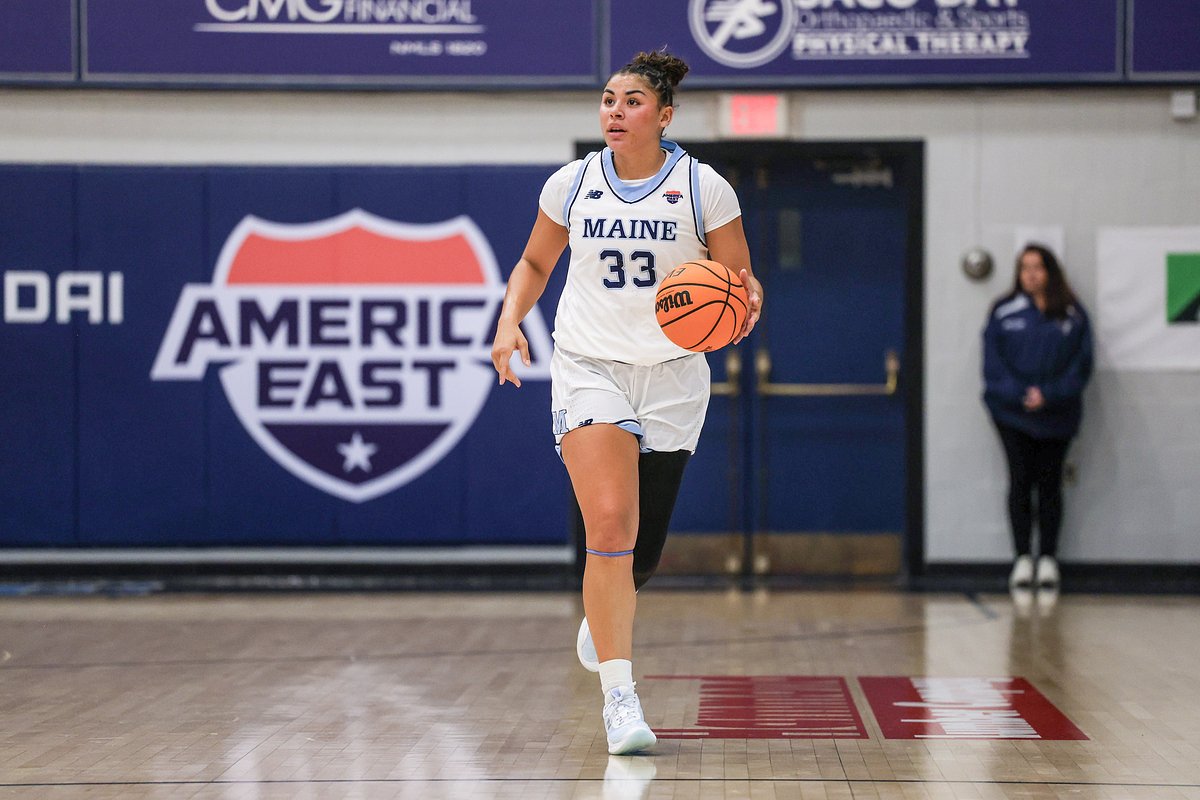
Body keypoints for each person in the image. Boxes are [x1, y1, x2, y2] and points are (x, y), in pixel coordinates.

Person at [490, 50, 763, 755]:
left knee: (638, 554)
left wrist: (741, 306)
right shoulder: (573, 184)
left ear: (664, 115)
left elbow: (739, 281)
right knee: (608, 525)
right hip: (590, 367)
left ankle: (605, 607)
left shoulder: (705, 189)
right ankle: (621, 699)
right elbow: (534, 263)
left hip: (674, 374)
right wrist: (510, 317)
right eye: (608, 99)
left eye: (632, 100)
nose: (615, 110)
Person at [982, 244, 1093, 591]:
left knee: (1049, 485)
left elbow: (1081, 365)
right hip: (1012, 414)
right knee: (1020, 482)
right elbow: (993, 364)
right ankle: (1021, 559)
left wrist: (1050, 394)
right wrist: (1020, 395)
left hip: (1057, 414)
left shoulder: (1072, 314)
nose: (1031, 274)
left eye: (1038, 267)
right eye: (1024, 268)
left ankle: (1047, 558)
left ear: (1050, 272)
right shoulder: (1003, 311)